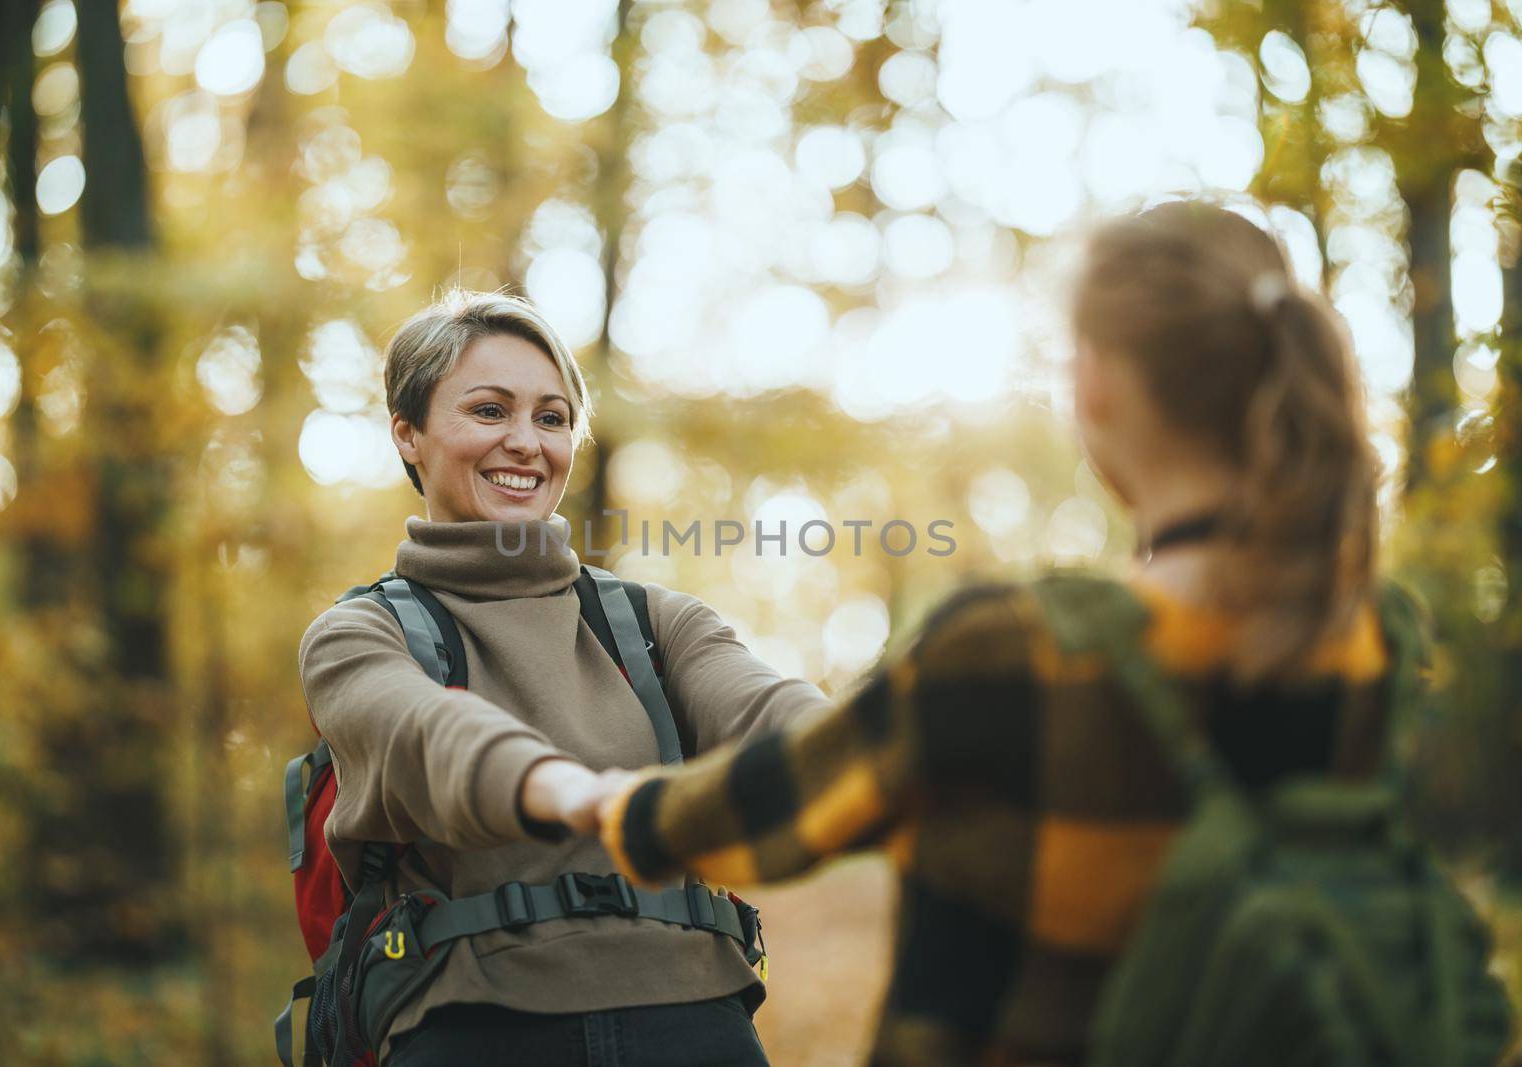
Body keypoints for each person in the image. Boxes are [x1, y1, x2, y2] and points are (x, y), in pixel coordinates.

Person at [591, 202, 1508, 1064]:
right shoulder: (1371, 639)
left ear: (1098, 383)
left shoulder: (1017, 650)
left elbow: (764, 817)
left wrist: (597, 799)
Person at [298, 290, 826, 1066]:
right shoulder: (360, 634)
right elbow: (426, 734)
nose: (525, 442)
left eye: (551, 418)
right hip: (473, 1027)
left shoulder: (651, 621)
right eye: (489, 410)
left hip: (693, 1021)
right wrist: (566, 788)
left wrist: (871, 742)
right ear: (406, 434)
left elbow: (764, 705)